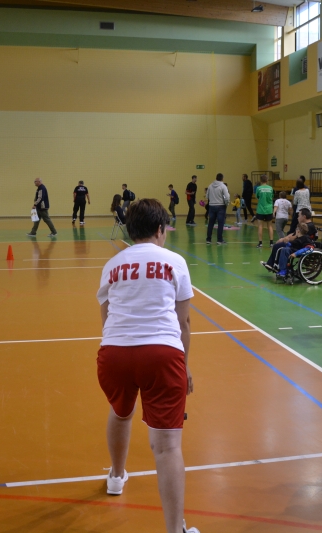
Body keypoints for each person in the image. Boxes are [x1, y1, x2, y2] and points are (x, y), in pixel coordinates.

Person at [96, 199, 199, 533]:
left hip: (114, 354)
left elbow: (106, 319)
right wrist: (184, 366)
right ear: (160, 229)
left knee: (120, 412)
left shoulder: (112, 264)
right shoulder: (174, 261)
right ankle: (175, 530)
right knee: (167, 448)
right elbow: (183, 323)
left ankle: (116, 476)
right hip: (162, 354)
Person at [205, 173, 230, 245]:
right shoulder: (223, 186)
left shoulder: (210, 186)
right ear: (222, 178)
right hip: (221, 206)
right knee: (220, 223)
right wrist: (227, 203)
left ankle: (208, 239)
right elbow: (227, 197)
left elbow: (207, 196)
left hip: (212, 206)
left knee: (211, 223)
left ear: (216, 178)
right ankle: (219, 240)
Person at [255, 174, 274, 248]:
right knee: (270, 226)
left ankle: (260, 243)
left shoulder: (258, 188)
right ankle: (271, 243)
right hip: (269, 209)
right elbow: (272, 197)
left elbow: (257, 197)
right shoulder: (270, 188)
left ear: (260, 180)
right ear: (267, 180)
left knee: (260, 226)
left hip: (261, 209)